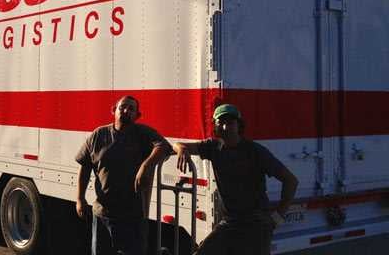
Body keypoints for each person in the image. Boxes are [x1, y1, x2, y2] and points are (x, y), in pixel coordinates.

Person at [174, 104, 299, 255]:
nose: (225, 127)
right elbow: (177, 145)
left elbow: (291, 181)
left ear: (239, 125)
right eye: (221, 123)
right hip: (230, 222)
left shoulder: (255, 151)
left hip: (256, 224)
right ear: (215, 126)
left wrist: (278, 217)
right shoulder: (213, 147)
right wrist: (182, 149)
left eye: (230, 123)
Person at [75, 95, 174, 255]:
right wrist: (80, 199)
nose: (126, 110)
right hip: (103, 214)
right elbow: (85, 166)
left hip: (132, 217)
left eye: (131, 109)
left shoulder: (142, 134)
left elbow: (163, 146)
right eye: (122, 107)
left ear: (137, 115)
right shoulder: (98, 135)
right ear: (114, 110)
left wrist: (145, 166)